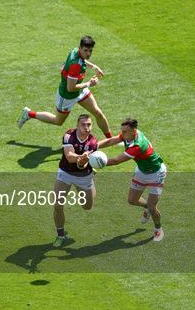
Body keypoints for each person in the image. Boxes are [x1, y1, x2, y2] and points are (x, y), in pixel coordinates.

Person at [18, 35, 113, 138]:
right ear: (80, 48)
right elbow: (70, 88)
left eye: (90, 51)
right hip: (67, 96)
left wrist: (94, 67)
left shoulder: (76, 51)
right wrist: (89, 83)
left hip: (80, 91)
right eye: (85, 50)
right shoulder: (75, 65)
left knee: (98, 113)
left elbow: (82, 60)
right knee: (58, 121)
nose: (88, 53)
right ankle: (29, 114)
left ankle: (110, 139)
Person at [98, 118, 166, 241]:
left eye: (125, 132)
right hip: (141, 171)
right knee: (132, 200)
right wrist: (94, 146)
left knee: (152, 206)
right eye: (122, 131)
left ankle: (158, 229)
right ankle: (146, 207)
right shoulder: (129, 134)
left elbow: (115, 161)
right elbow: (112, 140)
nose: (122, 134)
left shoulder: (137, 146)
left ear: (134, 131)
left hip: (156, 173)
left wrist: (95, 163)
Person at [52, 114, 98, 247]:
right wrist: (81, 157)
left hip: (83, 176)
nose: (86, 127)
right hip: (65, 173)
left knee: (87, 206)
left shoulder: (93, 142)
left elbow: (81, 165)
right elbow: (69, 157)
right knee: (57, 205)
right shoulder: (69, 135)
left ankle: (89, 182)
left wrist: (82, 161)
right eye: (83, 124)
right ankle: (61, 235)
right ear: (77, 125)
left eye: (89, 124)